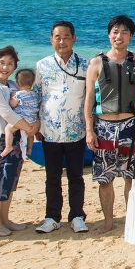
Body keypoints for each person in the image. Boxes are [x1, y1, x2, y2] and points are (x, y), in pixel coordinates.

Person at [84, 15, 135, 234]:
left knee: (131, 177)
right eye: (115, 32)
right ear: (109, 34)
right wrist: (89, 130)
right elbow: (88, 100)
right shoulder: (96, 63)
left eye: (124, 32)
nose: (119, 36)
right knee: (105, 178)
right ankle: (108, 221)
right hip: (103, 126)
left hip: (129, 126)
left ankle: (131, 217)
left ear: (131, 36)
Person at [34, 21, 90, 234]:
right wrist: (36, 123)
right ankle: (52, 217)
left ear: (74, 38)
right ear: (51, 40)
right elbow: (36, 95)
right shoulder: (42, 65)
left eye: (66, 37)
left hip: (77, 129)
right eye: (57, 37)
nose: (62, 41)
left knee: (76, 176)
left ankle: (77, 216)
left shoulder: (86, 65)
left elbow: (91, 97)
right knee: (53, 177)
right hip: (50, 131)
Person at [0, 46, 39, 237]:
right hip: (0, 140)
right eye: (1, 63)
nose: (6, 67)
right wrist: (29, 127)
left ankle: (5, 219)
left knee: (11, 180)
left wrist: (34, 124)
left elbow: (29, 105)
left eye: (10, 64)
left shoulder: (12, 85)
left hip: (17, 139)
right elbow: (7, 114)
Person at [2, 68, 39, 156]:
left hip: (20, 118)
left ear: (17, 83)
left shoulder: (18, 94)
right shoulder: (35, 94)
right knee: (30, 135)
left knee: (8, 130)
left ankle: (8, 146)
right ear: (33, 82)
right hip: (32, 119)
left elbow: (13, 104)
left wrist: (11, 98)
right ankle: (29, 148)